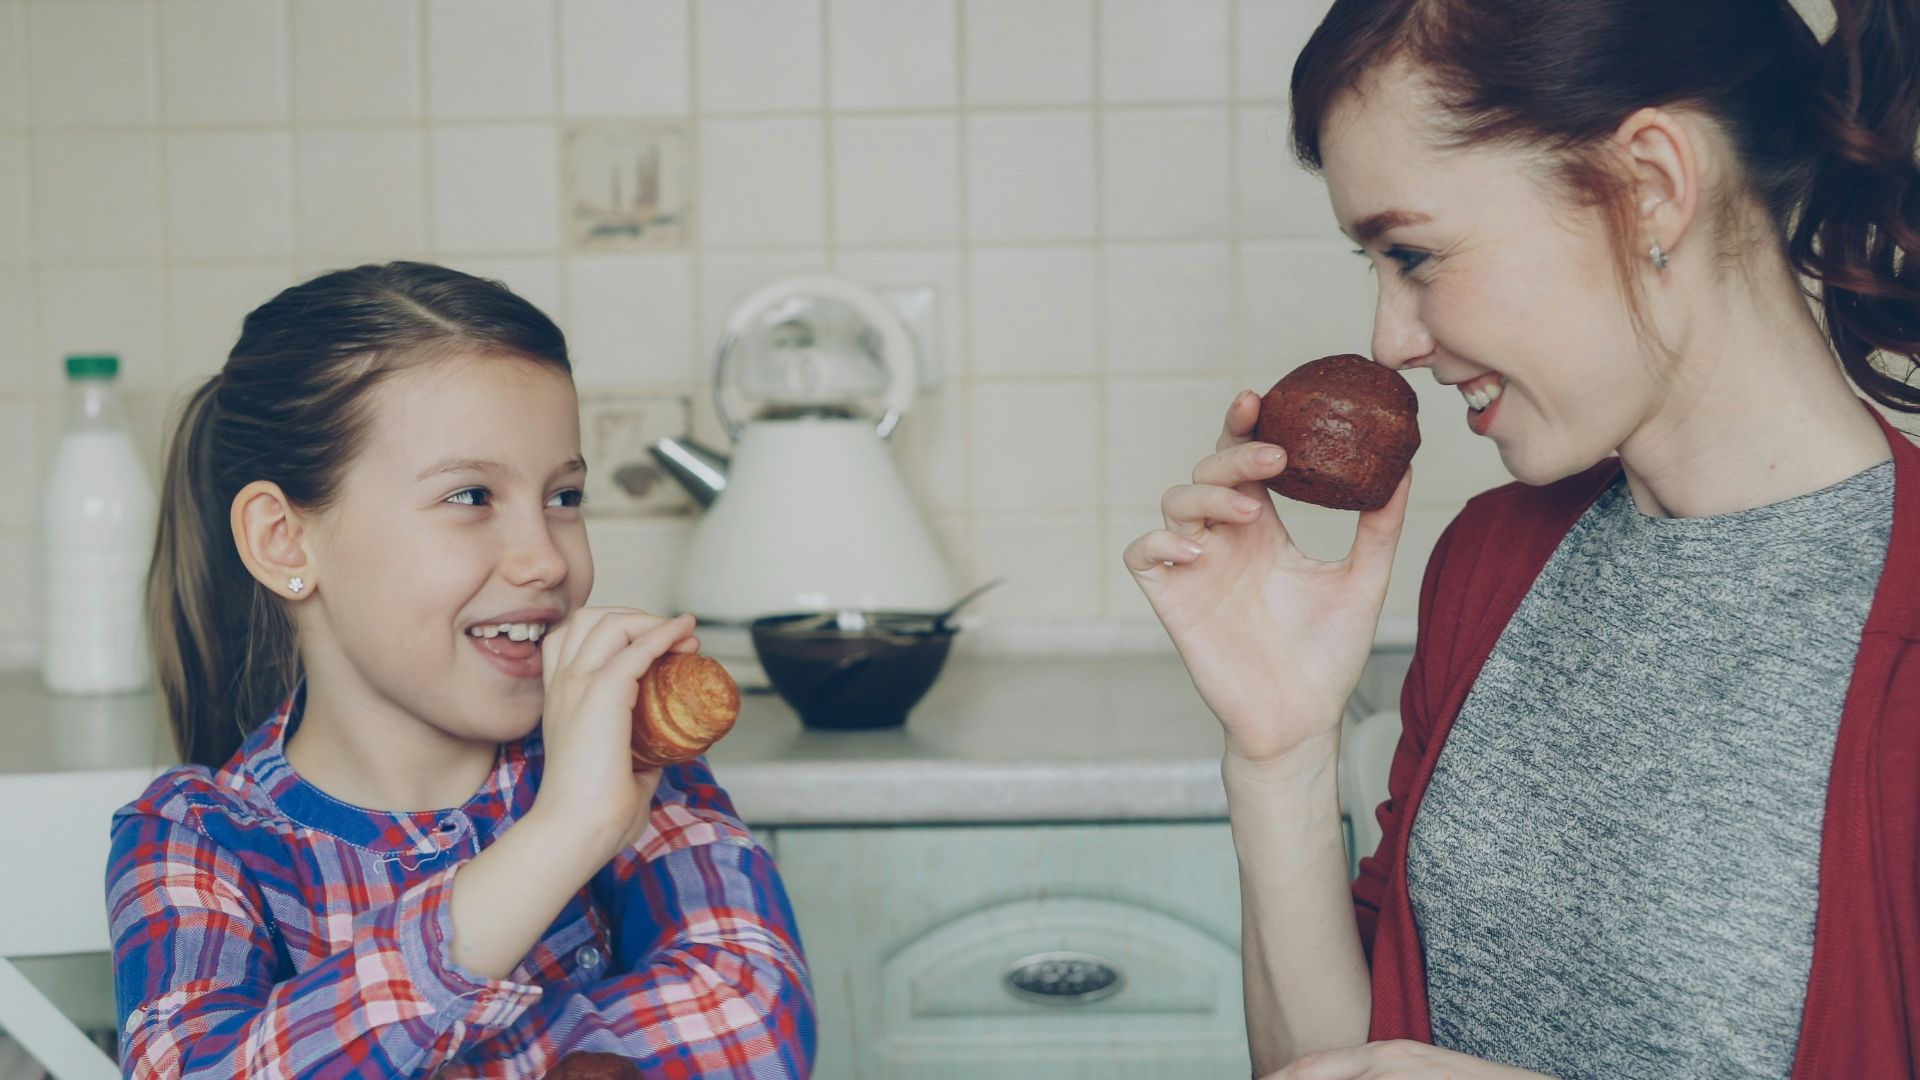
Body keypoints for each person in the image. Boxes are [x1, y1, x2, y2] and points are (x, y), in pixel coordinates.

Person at [1124, 0, 1920, 1076]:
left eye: (1414, 252)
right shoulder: (1490, 563)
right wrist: (1282, 755)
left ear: (1650, 185)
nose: (1390, 341)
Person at [108, 262, 815, 1077]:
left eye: (564, 497)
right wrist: (558, 839)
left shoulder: (622, 759)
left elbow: (754, 1028)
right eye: (471, 496)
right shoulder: (192, 841)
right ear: (285, 540)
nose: (545, 557)